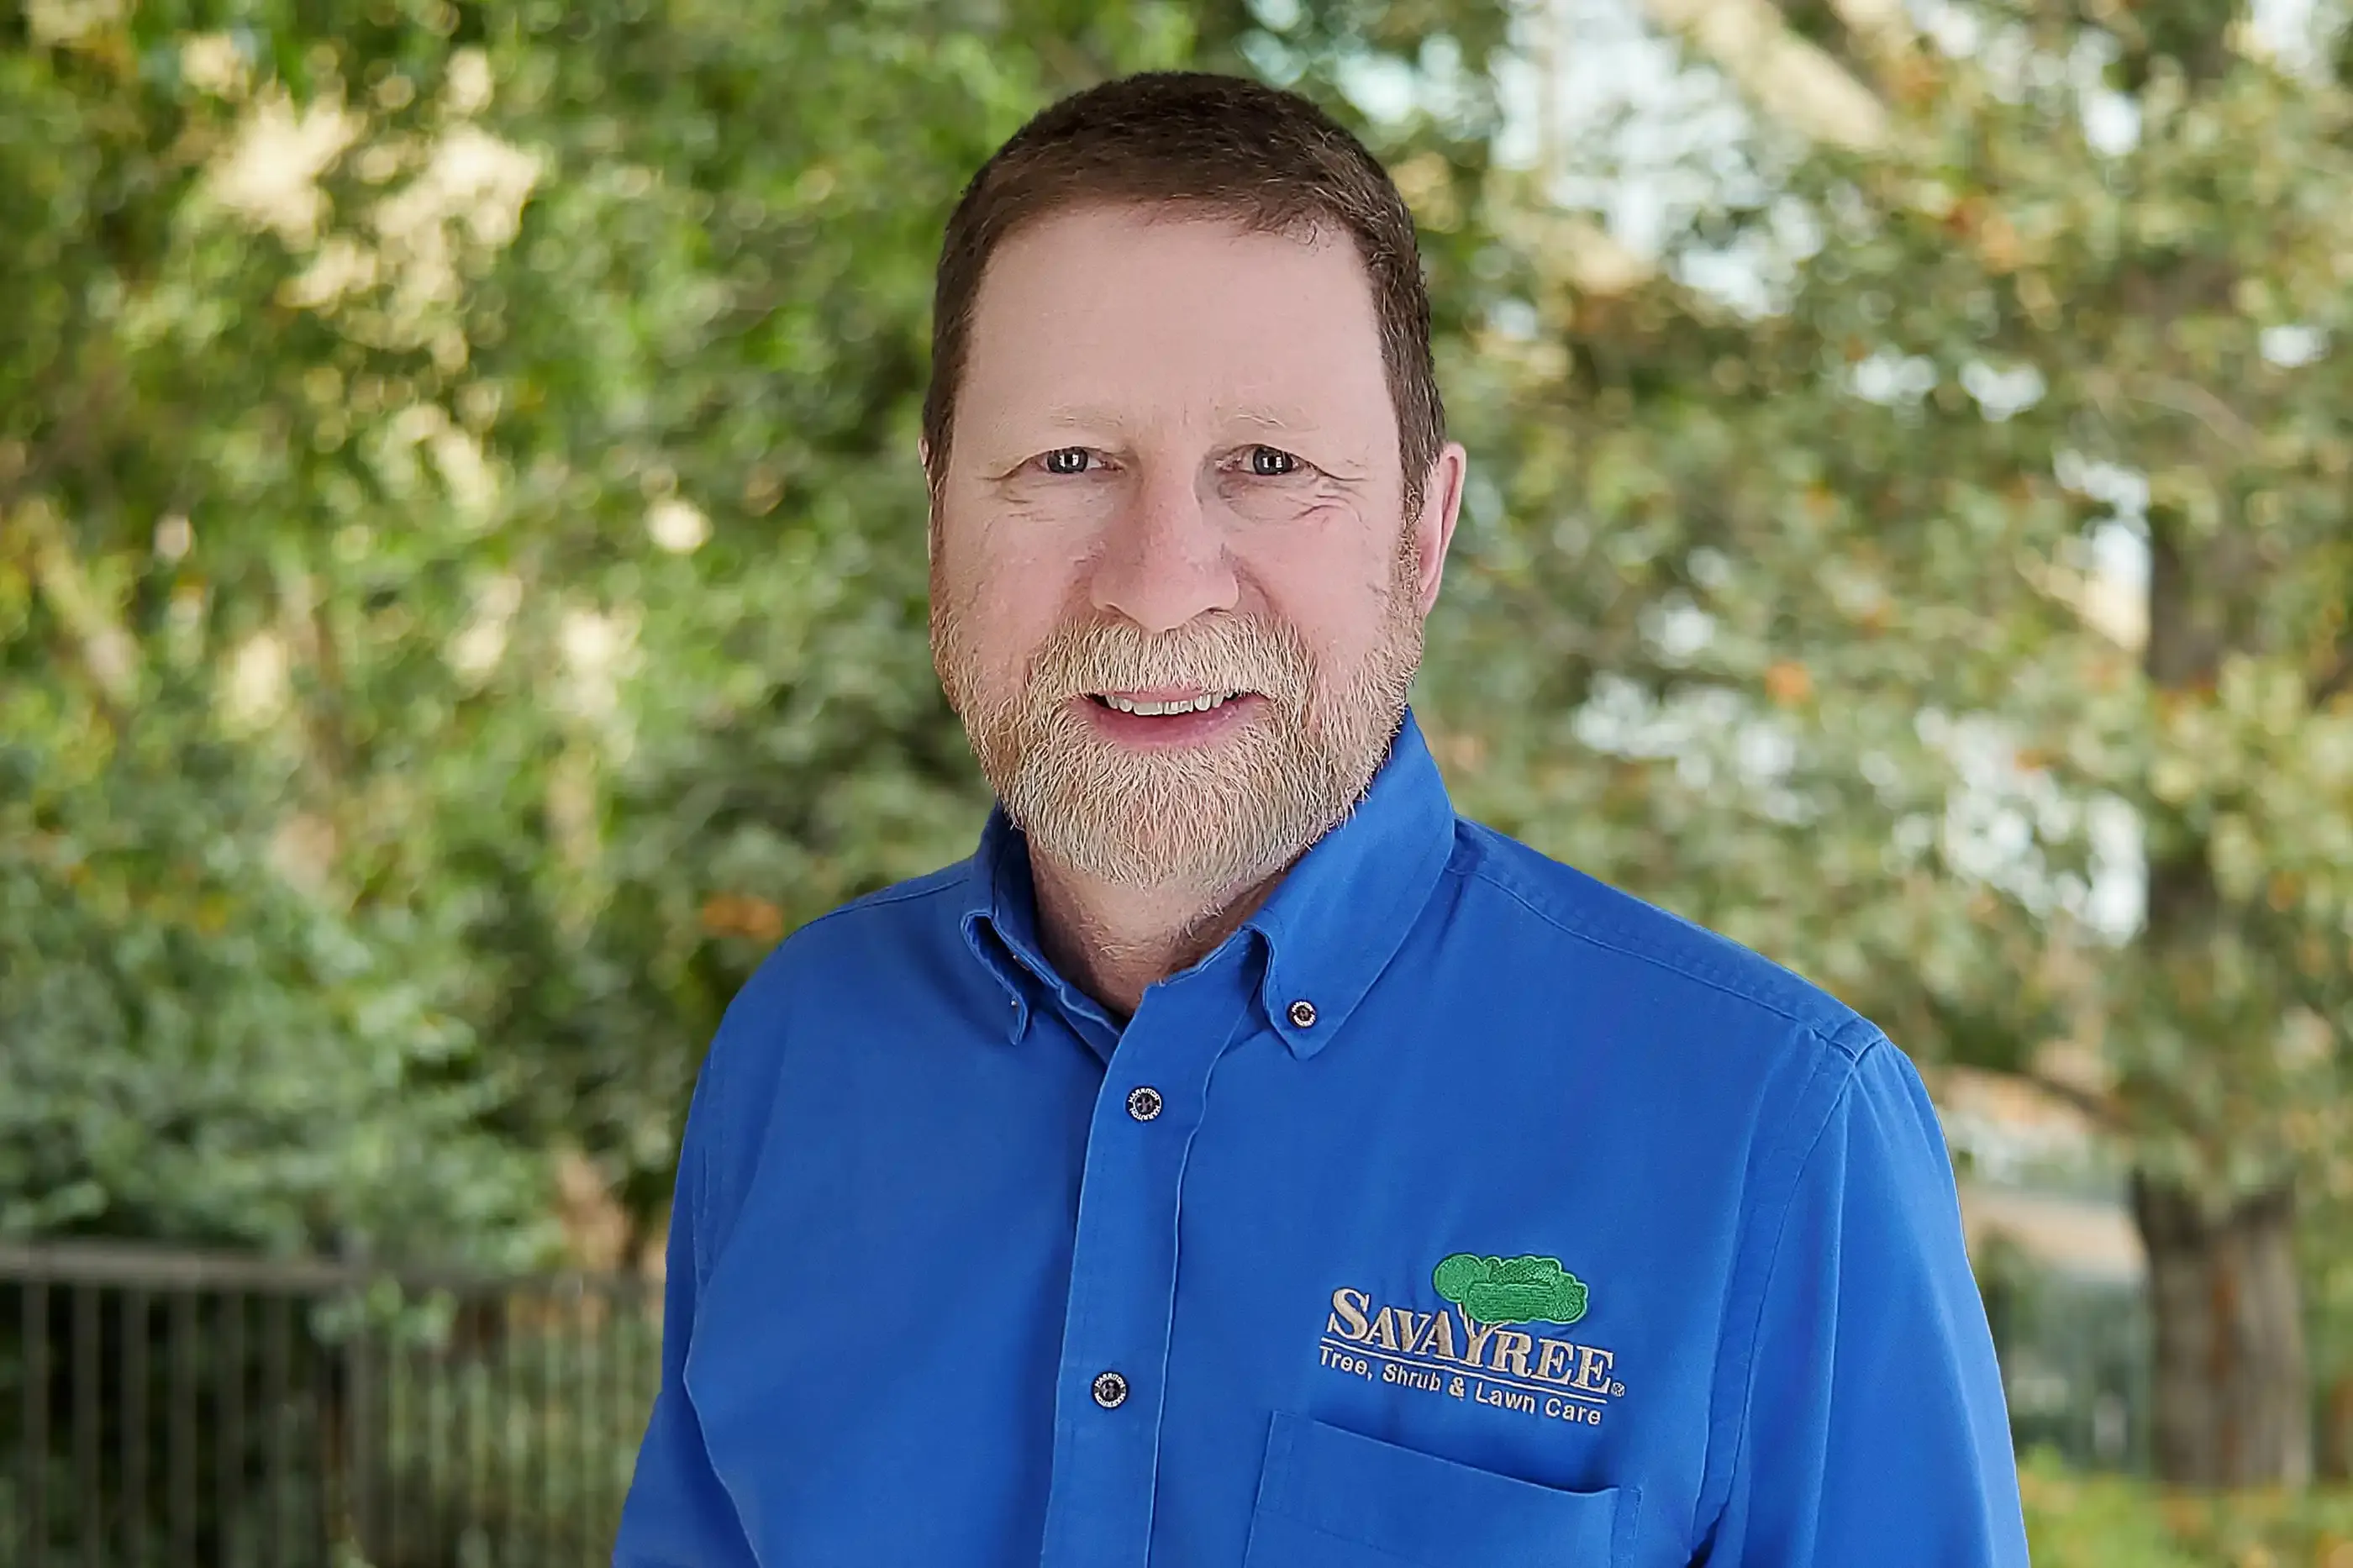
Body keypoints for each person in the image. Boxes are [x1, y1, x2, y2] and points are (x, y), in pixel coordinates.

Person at [613, 68, 2029, 1568]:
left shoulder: (1785, 1138)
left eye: (1271, 467)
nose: (1161, 581)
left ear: (1425, 532)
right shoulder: (798, 1055)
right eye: (1067, 463)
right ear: (939, 515)